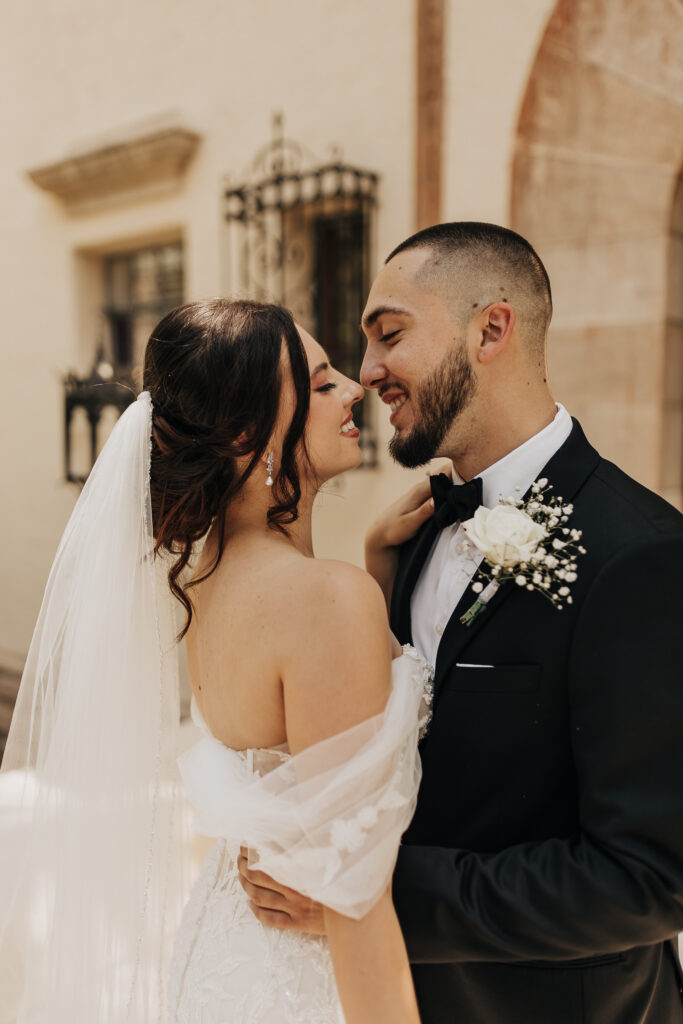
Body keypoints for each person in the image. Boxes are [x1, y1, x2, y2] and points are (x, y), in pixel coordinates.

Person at [239, 223, 683, 1024]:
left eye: (389, 335)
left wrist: (363, 891)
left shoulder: (638, 556)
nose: (368, 371)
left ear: (491, 329)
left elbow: (645, 879)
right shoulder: (411, 535)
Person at [0, 299, 431, 1024]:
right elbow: (351, 897)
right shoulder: (322, 600)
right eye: (321, 384)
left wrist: (375, 569)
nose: (354, 389)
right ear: (244, 432)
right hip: (304, 979)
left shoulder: (211, 576)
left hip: (228, 953)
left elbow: (294, 729)